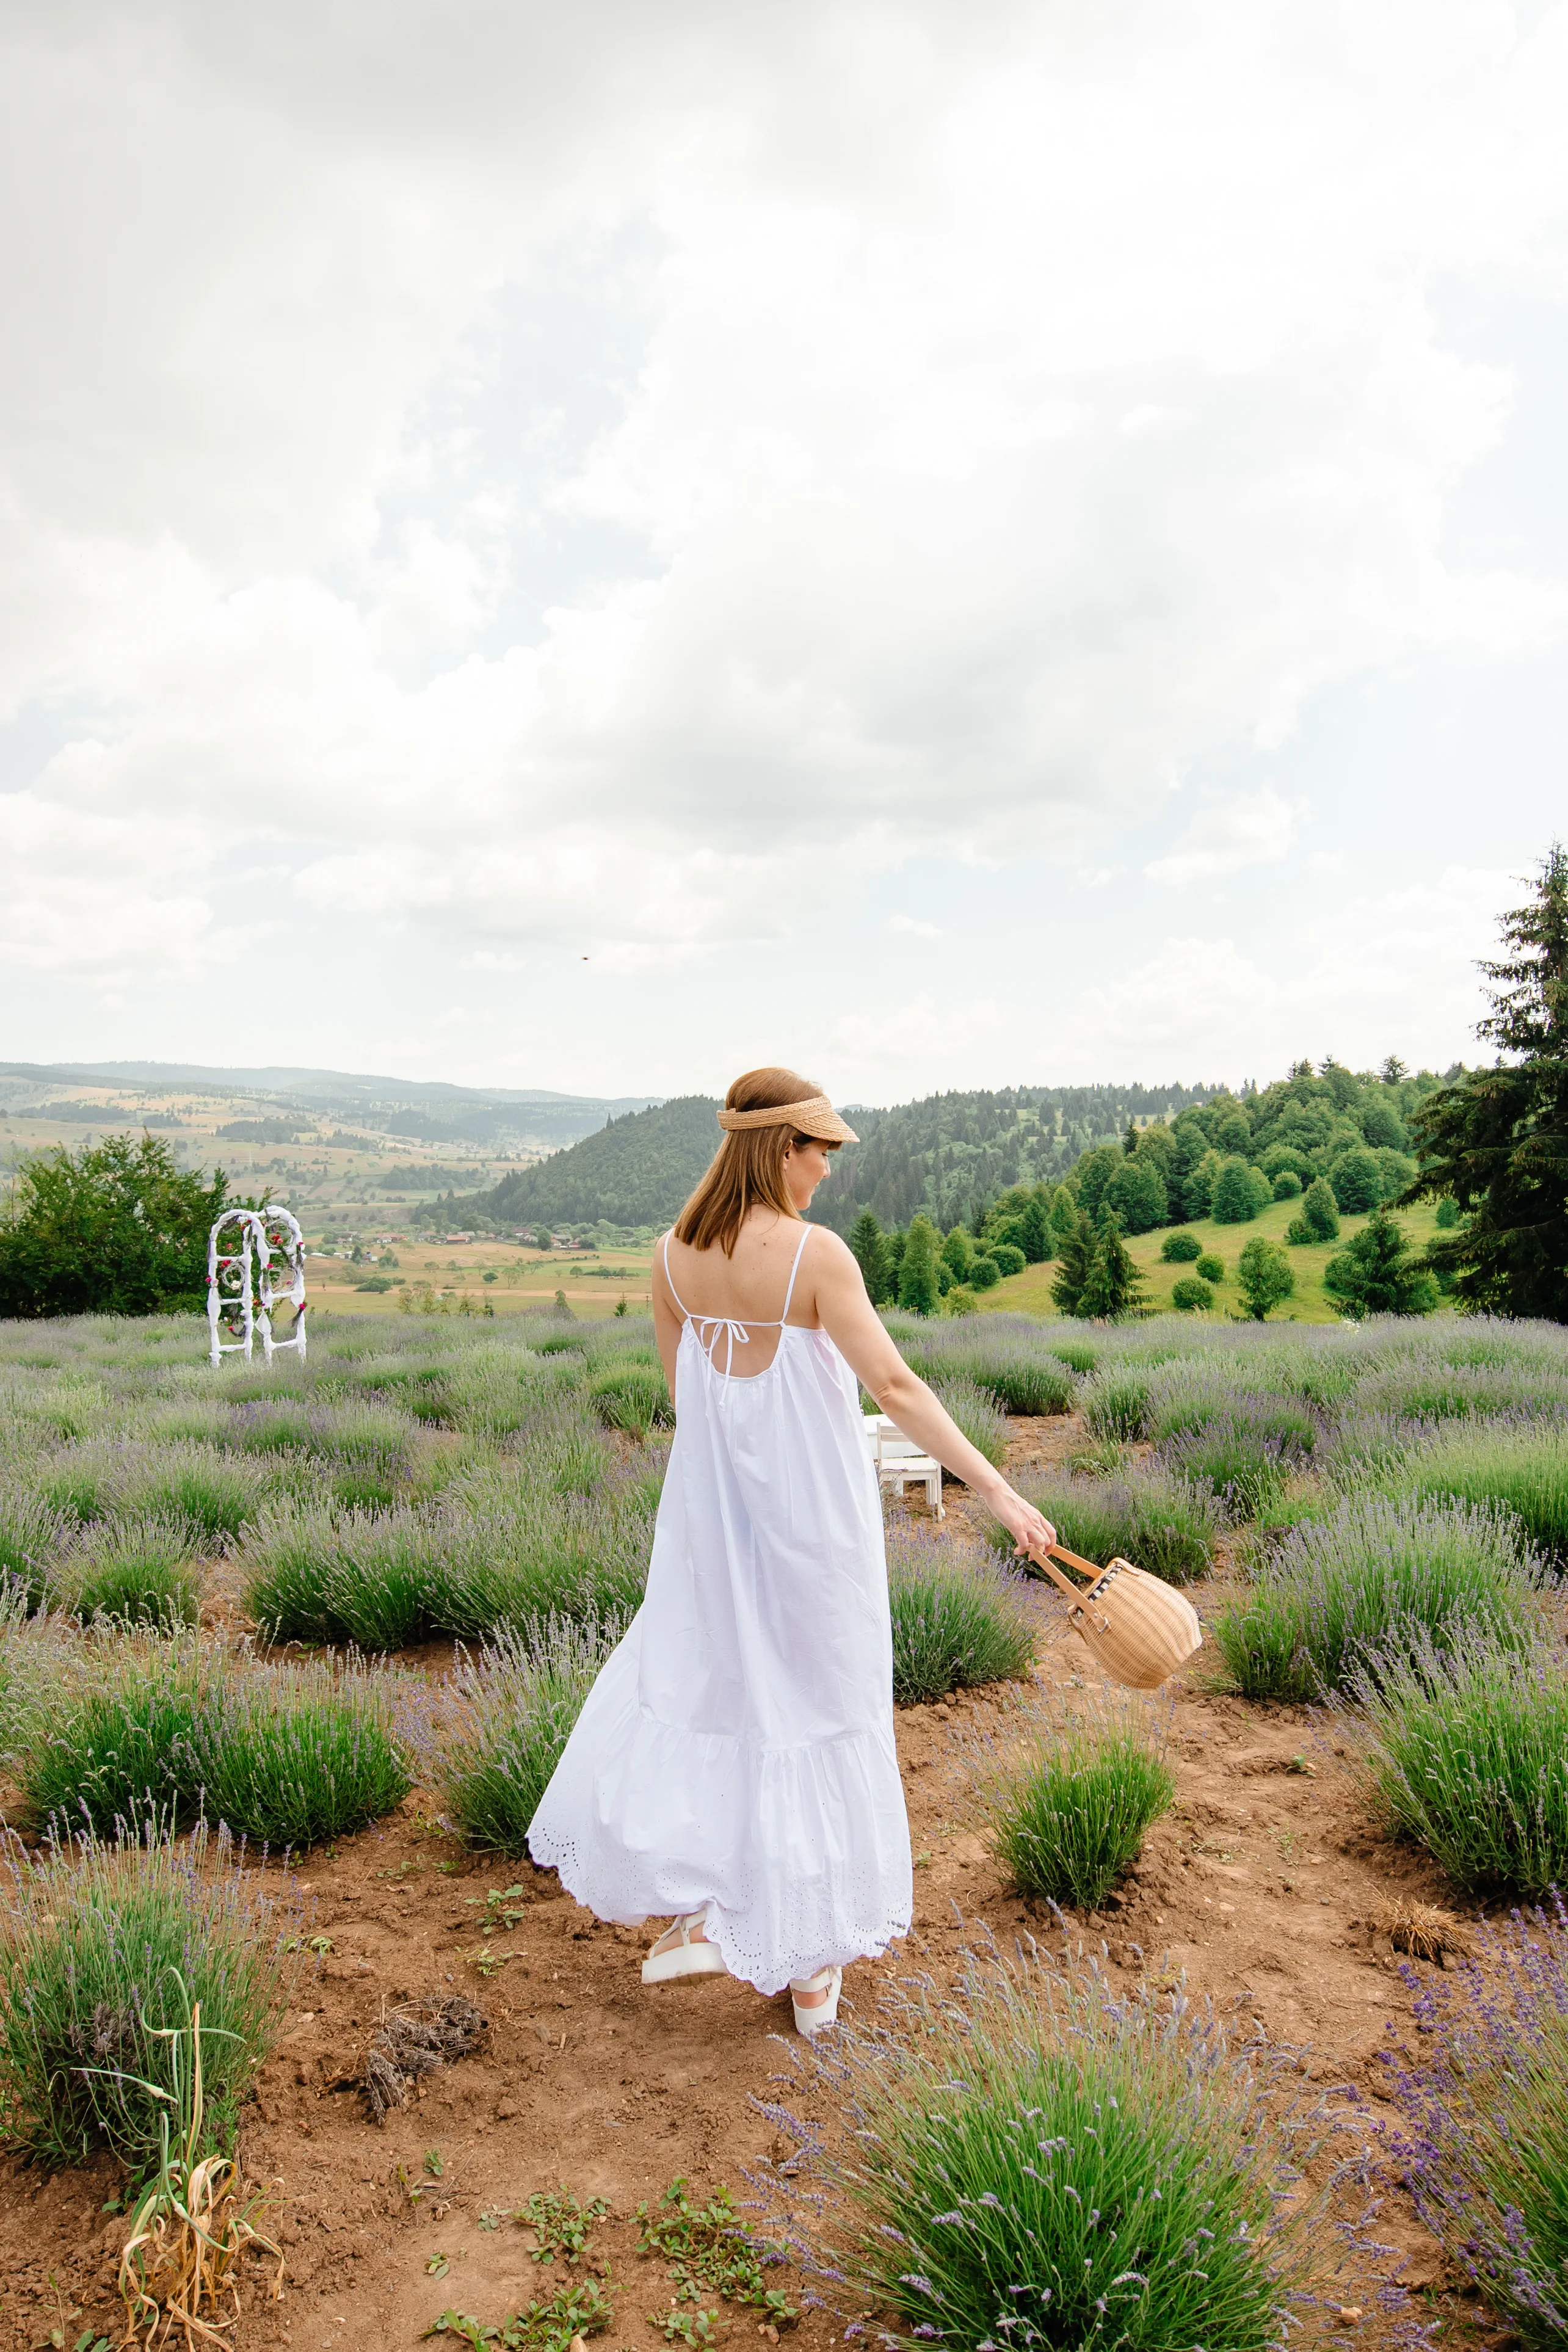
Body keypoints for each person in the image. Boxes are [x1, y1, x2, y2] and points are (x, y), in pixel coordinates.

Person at [528, 1065, 1056, 2034]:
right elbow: (894, 1387)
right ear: (782, 1148)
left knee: (726, 1698)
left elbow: (687, 1401)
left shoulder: (671, 1257)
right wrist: (997, 1490)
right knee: (822, 1710)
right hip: (812, 1530)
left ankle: (712, 1909)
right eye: (822, 1150)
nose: (829, 1169)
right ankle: (810, 1973)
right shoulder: (817, 1257)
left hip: (711, 1527)